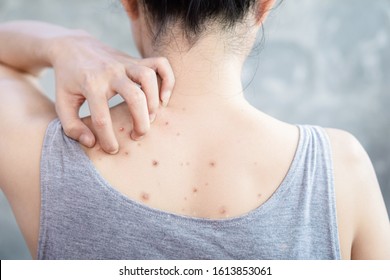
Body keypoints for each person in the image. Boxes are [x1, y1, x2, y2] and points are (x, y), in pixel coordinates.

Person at [0, 0, 389, 260]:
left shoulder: (47, 153)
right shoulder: (339, 167)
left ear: (131, 4)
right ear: (264, 7)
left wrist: (66, 43)